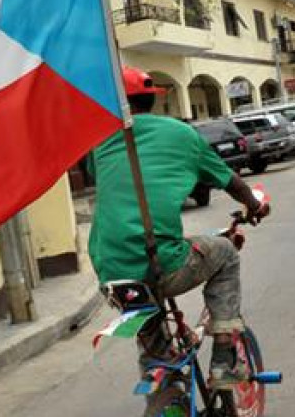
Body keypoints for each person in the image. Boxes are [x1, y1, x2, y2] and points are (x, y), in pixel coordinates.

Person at [89, 67, 271, 391]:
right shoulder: (182, 134)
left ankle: (160, 381)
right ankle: (225, 360)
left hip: (111, 271)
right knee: (226, 253)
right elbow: (231, 182)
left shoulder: (98, 140)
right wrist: (255, 207)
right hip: (160, 262)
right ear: (152, 101)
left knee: (149, 320)